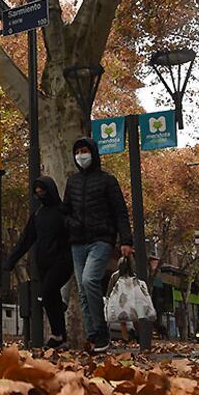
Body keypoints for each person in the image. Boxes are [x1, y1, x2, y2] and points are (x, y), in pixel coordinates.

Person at [63, 137, 133, 352]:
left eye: (84, 150)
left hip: (101, 240)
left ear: (93, 153)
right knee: (83, 291)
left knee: (89, 279)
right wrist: (71, 225)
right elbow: (65, 211)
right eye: (78, 151)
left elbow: (120, 211)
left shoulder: (107, 181)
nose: (81, 155)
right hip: (78, 242)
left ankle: (102, 331)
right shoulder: (72, 182)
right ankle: (93, 334)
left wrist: (126, 241)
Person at [4, 176, 73, 348]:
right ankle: (60, 336)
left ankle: (57, 334)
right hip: (43, 263)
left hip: (63, 261)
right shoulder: (38, 215)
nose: (40, 194)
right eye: (37, 192)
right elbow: (26, 240)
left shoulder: (64, 211)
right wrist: (11, 260)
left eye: (43, 191)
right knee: (52, 297)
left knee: (48, 292)